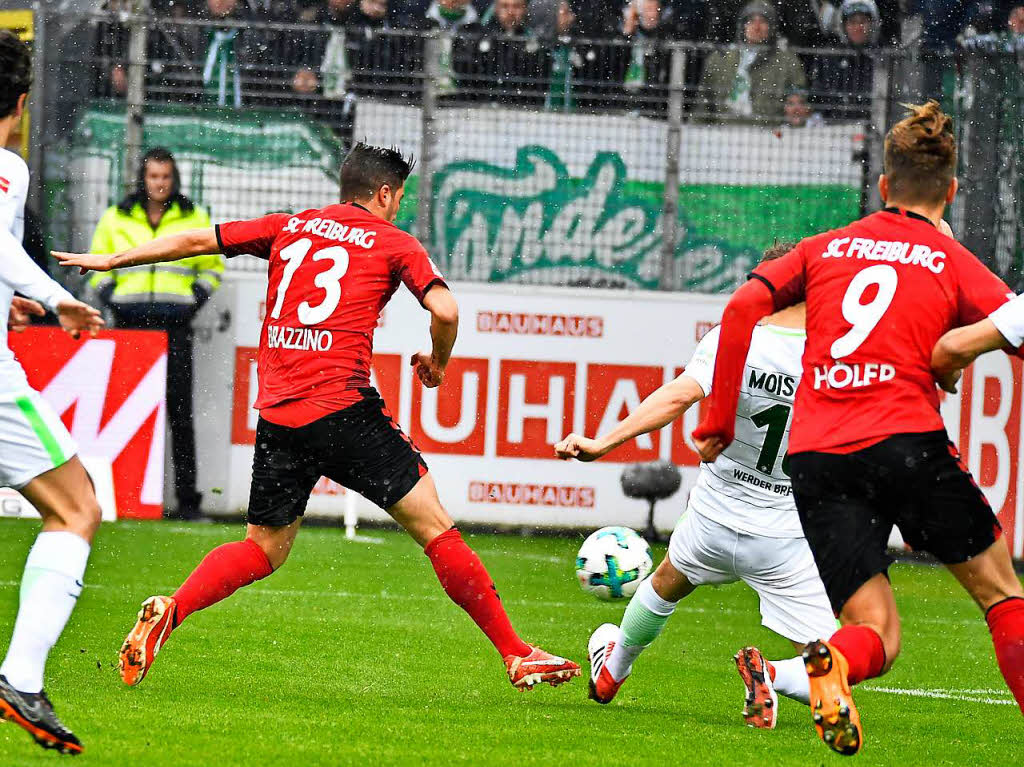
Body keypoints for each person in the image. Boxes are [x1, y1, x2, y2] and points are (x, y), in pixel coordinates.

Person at [56, 142, 581, 695]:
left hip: (280, 414)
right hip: (344, 410)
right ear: (382, 193)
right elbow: (446, 310)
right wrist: (438, 362)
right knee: (435, 529)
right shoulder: (394, 242)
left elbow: (195, 240)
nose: (398, 207)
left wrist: (117, 260)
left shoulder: (290, 226)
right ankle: (517, 654)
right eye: (398, 196)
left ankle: (173, 608)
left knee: (262, 546)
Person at [690, 101, 1024, 755]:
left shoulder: (824, 249)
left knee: (876, 629)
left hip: (816, 459)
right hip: (905, 443)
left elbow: (742, 307)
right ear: (950, 192)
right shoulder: (947, 258)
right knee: (1000, 592)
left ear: (882, 186)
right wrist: (962, 348)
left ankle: (833, 663)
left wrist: (716, 418)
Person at [555, 242, 834, 730]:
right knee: (837, 665)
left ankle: (611, 672)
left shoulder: (737, 338)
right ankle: (771, 673)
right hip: (784, 535)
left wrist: (604, 442)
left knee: (665, 582)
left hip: (713, 521)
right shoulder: (833, 355)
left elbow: (679, 395)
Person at [0, 30, 107, 756]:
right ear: (20, 102)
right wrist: (54, 294)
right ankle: (19, 677)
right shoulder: (7, 167)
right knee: (76, 507)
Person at [88, 148, 221, 521]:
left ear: (173, 178)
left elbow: (212, 268)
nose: (159, 184)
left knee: (180, 415)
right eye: (153, 177)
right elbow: (99, 264)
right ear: (142, 179)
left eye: (165, 177)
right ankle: (121, 497)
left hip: (175, 326)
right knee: (125, 414)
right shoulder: (116, 217)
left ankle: (187, 503)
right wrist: (113, 299)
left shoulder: (194, 216)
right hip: (129, 327)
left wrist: (193, 299)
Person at [700, 1, 807, 121]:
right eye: (751, 21)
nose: (756, 27)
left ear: (772, 28)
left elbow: (799, 105)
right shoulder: (719, 59)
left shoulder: (787, 61)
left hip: (769, 133)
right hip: (723, 133)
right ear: (743, 26)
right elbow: (702, 105)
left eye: (763, 21)